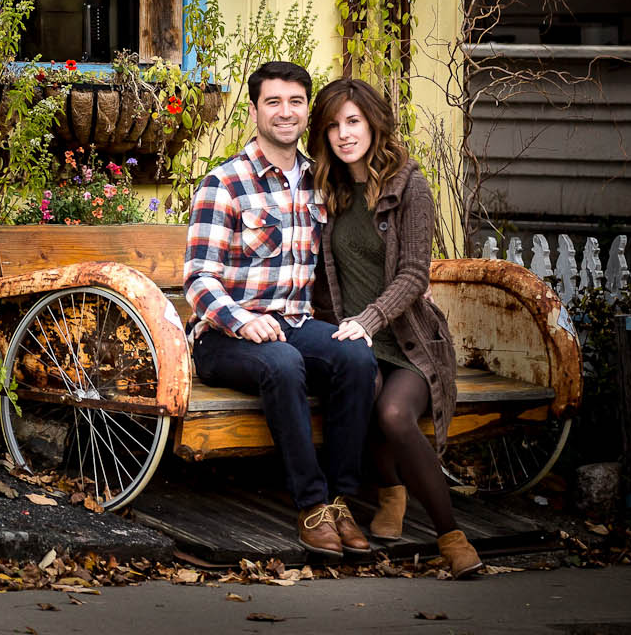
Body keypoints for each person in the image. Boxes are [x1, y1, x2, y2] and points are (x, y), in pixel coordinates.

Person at [184, 62, 377, 558]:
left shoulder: (320, 182)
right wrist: (243, 321)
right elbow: (199, 279)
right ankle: (311, 505)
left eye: (295, 102)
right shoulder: (224, 184)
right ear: (253, 111)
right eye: (273, 102)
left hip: (294, 325)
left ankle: (340, 499)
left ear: (306, 109)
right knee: (284, 364)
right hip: (223, 336)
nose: (285, 112)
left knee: (355, 359)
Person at [306, 77, 483, 579]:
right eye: (334, 125)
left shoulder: (410, 183)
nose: (344, 134)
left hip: (407, 340)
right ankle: (390, 489)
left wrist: (368, 321)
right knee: (359, 388)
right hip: (351, 339)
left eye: (354, 122)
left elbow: (413, 274)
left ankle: (450, 536)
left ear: (373, 123)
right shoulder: (329, 191)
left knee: (393, 413)